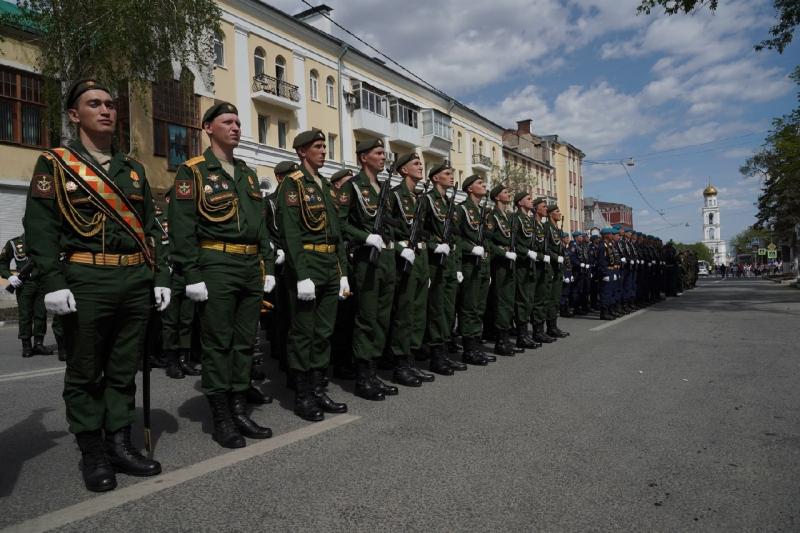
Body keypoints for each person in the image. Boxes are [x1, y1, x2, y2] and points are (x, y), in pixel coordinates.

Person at [24, 79, 168, 492]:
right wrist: (51, 280)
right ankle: (94, 452)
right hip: (86, 280)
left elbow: (151, 229)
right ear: (74, 115)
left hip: (133, 279)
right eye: (94, 104)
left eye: (110, 104)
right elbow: (40, 226)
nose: (106, 110)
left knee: (123, 370)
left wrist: (159, 276)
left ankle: (119, 443)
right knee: (86, 371)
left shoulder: (133, 169)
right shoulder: (55, 163)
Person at [169, 102, 275, 448]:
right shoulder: (193, 171)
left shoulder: (245, 172)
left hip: (248, 266)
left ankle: (239, 406)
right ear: (208, 127)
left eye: (239, 122)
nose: (236, 127)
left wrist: (267, 264)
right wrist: (191, 273)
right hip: (215, 263)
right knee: (218, 343)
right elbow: (183, 228)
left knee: (246, 342)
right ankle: (222, 417)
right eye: (228, 122)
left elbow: (260, 226)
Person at [278, 128, 350, 421]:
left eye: (324, 146)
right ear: (301, 151)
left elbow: (337, 234)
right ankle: (303, 394)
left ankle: (319, 388)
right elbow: (290, 233)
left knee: (323, 332)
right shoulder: (293, 185)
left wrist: (342, 272)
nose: (323, 150)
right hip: (307, 263)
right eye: (317, 146)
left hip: (329, 263)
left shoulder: (325, 186)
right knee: (303, 333)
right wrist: (301, 273)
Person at [338, 138, 399, 400]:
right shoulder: (352, 187)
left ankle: (373, 372)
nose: (383, 157)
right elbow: (340, 224)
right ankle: (363, 377)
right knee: (367, 318)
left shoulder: (383, 188)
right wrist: (364, 237)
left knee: (383, 318)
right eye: (377, 153)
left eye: (383, 153)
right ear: (364, 158)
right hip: (367, 259)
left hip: (386, 257)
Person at [387, 153, 438, 383]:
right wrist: (399, 248)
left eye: (421, 163)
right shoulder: (394, 196)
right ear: (403, 170)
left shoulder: (419, 199)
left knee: (419, 312)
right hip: (405, 258)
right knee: (405, 313)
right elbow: (388, 230)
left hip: (421, 258)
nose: (420, 167)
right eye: (416, 164)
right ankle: (400, 363)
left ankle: (412, 360)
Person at [422, 162, 466, 375]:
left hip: (449, 265)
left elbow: (455, 236)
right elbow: (420, 230)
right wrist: (433, 244)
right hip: (434, 264)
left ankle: (445, 353)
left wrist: (457, 266)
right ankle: (436, 356)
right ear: (435, 178)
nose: (451, 176)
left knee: (448, 311)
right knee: (437, 310)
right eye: (447, 173)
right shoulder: (427, 200)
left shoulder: (450, 204)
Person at [454, 175, 494, 365]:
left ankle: (476, 345)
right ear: (469, 189)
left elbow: (487, 240)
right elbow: (455, 238)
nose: (484, 185)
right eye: (480, 183)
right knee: (469, 307)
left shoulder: (482, 212)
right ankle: (469, 349)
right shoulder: (461, 209)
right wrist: (471, 249)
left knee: (479, 307)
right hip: (470, 265)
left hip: (483, 266)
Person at [0, 231, 56, 357]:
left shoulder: (45, 242)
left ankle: (39, 344)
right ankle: (26, 346)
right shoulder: (14, 243)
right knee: (25, 315)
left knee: (41, 314)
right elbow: (2, 263)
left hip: (42, 283)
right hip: (24, 285)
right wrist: (10, 277)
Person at [486, 184, 518, 356]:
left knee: (508, 300)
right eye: (505, 192)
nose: (508, 194)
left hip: (509, 262)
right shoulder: (492, 217)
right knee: (501, 301)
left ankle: (506, 336)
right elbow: (488, 242)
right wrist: (502, 253)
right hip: (499, 264)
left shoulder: (507, 216)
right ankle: (501, 340)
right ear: (497, 197)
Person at [510, 191, 540, 350]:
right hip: (521, 264)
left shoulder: (529, 219)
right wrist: (526, 252)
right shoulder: (516, 218)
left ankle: (525, 333)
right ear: (520, 203)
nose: (531, 201)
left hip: (530, 263)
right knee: (522, 299)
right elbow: (513, 242)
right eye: (528, 199)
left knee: (529, 298)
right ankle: (522, 335)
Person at [544, 205, 569, 338]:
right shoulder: (547, 227)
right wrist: (555, 257)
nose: (559, 213)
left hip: (558, 267)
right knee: (551, 298)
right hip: (551, 267)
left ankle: (554, 326)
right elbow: (545, 248)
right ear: (550, 214)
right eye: (557, 211)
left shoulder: (557, 229)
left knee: (556, 298)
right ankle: (550, 327)